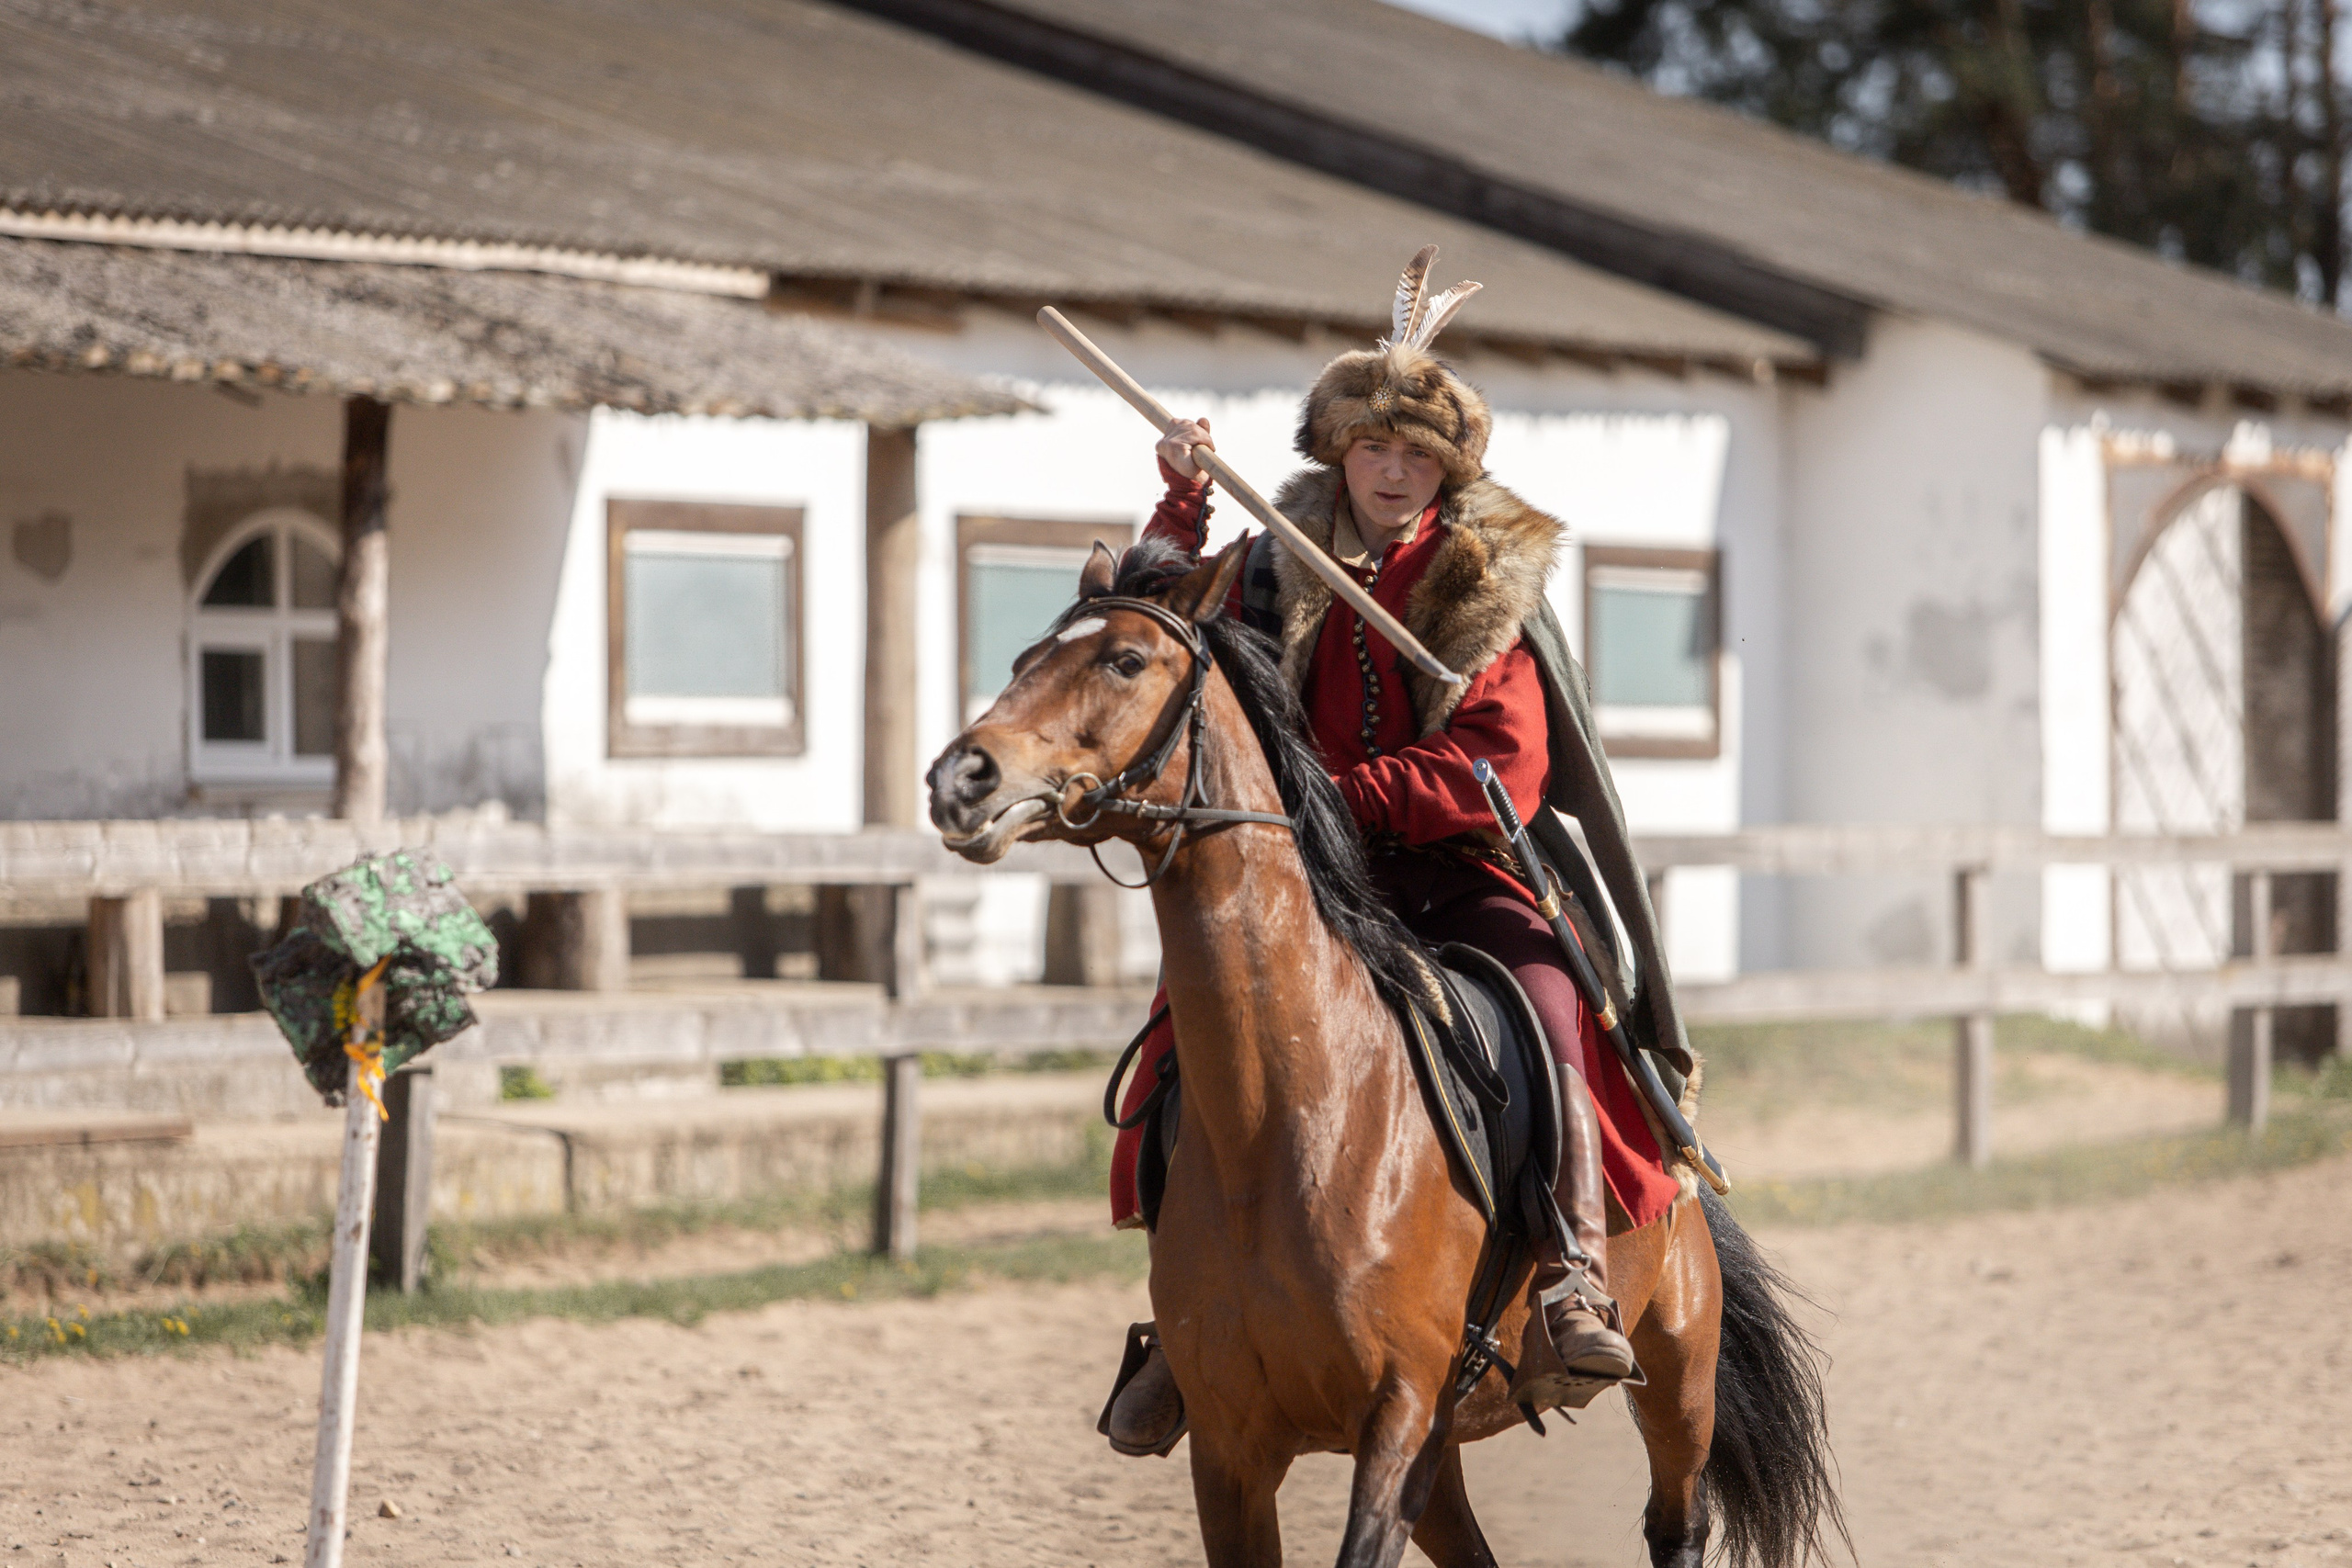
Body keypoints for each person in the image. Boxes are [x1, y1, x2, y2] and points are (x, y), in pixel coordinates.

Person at [1098, 248, 1684, 1458]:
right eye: (1375, 449)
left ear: (1448, 469)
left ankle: (1572, 1267)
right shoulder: (1272, 556)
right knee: (1186, 1037)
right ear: (1340, 453)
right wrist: (1184, 498)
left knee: (1549, 997)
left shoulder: (1487, 577)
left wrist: (1326, 795)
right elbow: (1155, 629)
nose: (1393, 471)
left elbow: (1497, 766)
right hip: (1309, 885)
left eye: (1418, 455)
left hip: (1461, 875)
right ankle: (1188, 1318)